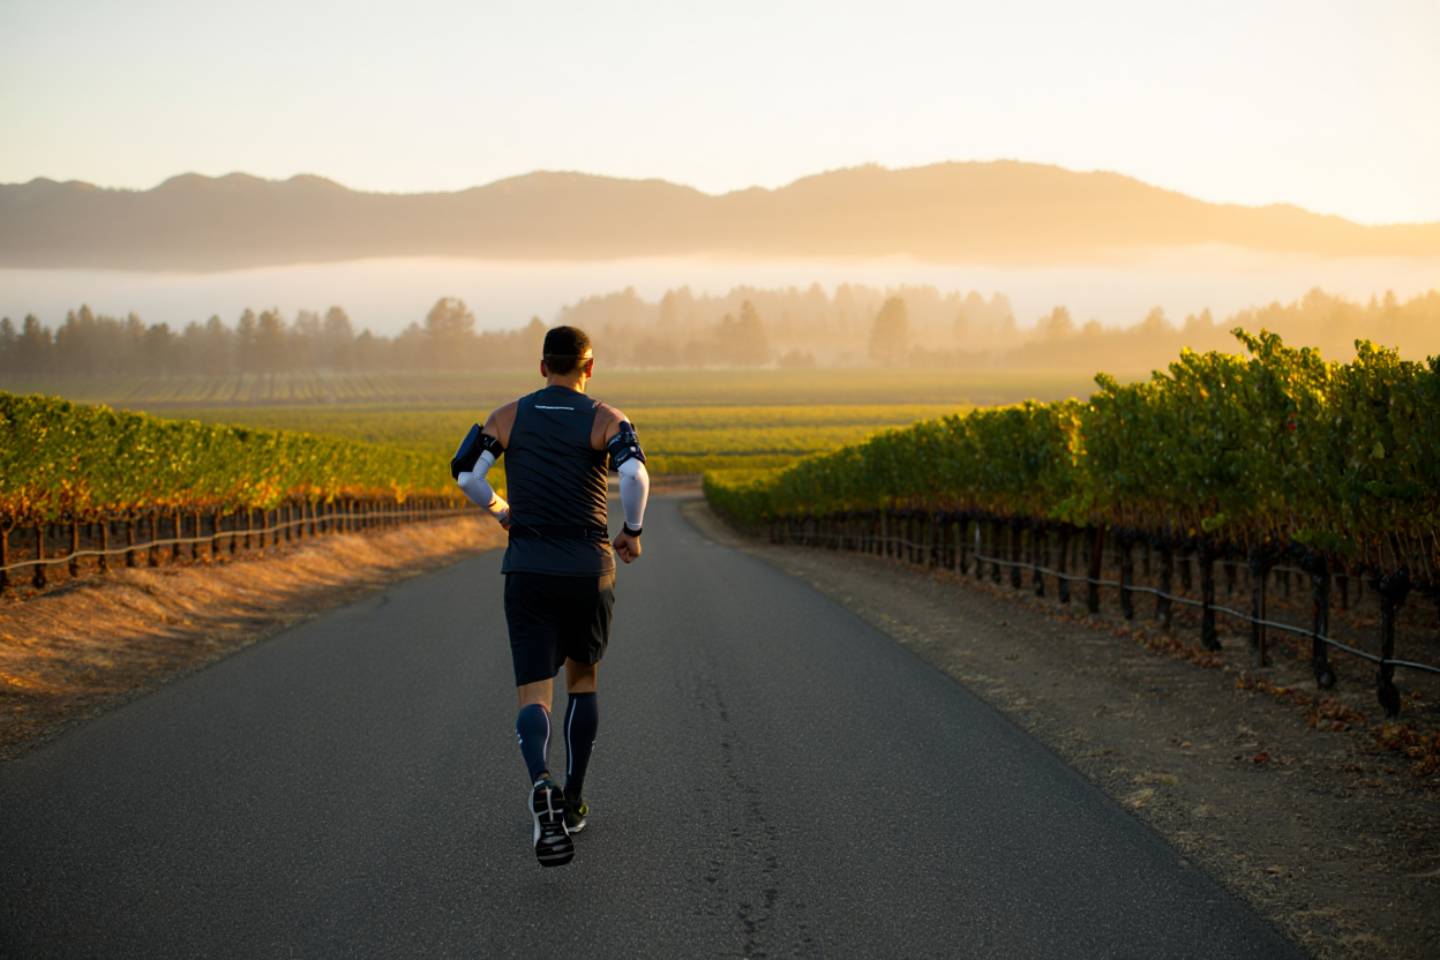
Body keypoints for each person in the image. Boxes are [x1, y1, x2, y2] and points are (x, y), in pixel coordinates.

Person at [451, 325, 649, 868]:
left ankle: (540, 780)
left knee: (533, 691)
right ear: (590, 368)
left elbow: (467, 474)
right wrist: (631, 529)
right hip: (588, 566)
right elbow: (634, 472)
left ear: (542, 367)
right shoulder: (608, 419)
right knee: (582, 679)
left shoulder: (508, 416)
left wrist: (500, 510)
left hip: (529, 564)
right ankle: (572, 796)